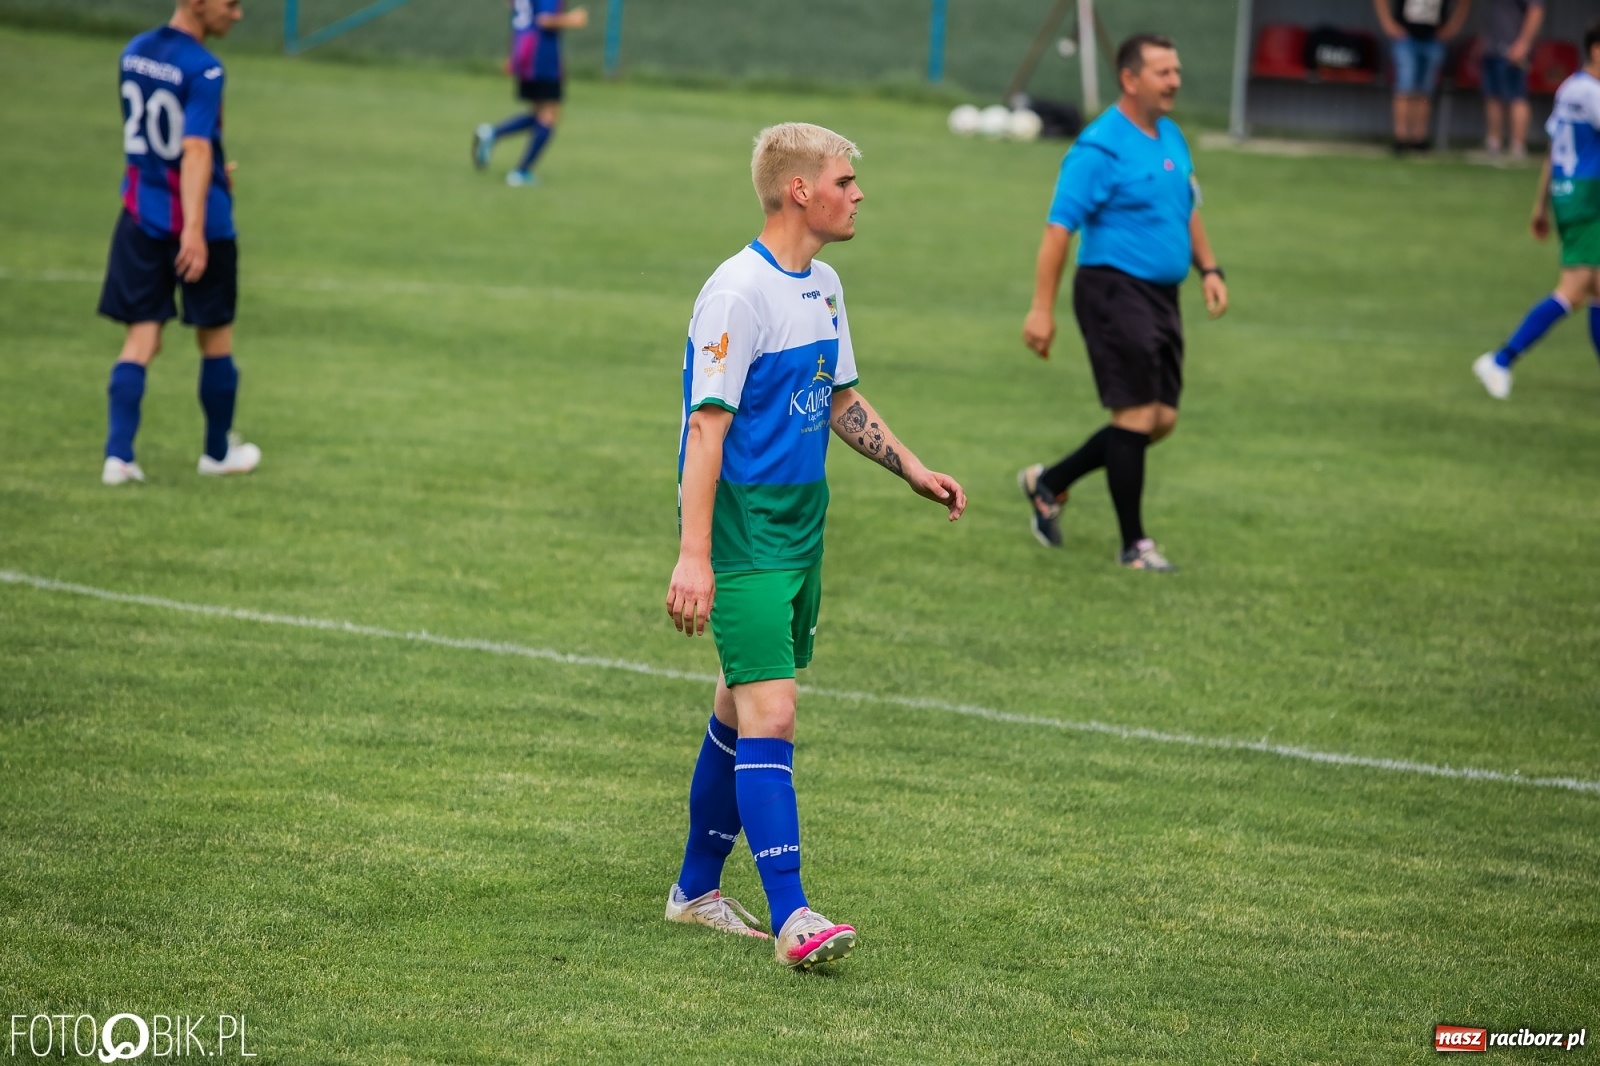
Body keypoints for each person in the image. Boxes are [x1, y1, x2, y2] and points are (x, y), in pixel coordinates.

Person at [664, 123, 966, 970]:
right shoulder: (735, 294)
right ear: (800, 190)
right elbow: (705, 430)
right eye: (844, 180)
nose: (857, 192)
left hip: (804, 528)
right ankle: (794, 917)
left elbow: (837, 399)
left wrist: (910, 465)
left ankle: (695, 891)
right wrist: (695, 554)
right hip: (745, 533)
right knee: (775, 711)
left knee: (736, 705)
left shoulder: (823, 283)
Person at [1019, 34, 1228, 573]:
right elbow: (1057, 230)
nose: (1175, 80)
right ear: (1130, 79)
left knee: (1159, 419)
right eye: (1163, 72)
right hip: (1113, 291)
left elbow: (1188, 205)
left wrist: (1209, 268)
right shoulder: (1099, 148)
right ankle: (1134, 545)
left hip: (1162, 296)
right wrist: (1041, 309)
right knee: (1134, 414)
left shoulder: (1171, 136)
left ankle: (1050, 483)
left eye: (1176, 70)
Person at [98, 0, 258, 487]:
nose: (238, 14)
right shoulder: (205, 69)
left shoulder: (135, 52)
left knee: (141, 338)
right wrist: (193, 227)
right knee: (215, 338)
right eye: (229, 4)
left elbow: (157, 142)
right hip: (200, 225)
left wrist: (210, 168)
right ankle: (215, 453)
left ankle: (118, 456)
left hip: (140, 215)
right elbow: (193, 147)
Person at [1474, 22, 1600, 400]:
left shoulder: (1569, 88)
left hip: (1570, 195)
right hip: (1587, 197)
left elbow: (1553, 149)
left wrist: (1540, 204)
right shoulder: (1590, 92)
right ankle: (1500, 359)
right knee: (1574, 289)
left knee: (1597, 289)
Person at [472, 0, 588, 187]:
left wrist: (513, 53)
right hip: (540, 55)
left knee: (540, 113)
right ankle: (520, 172)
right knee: (549, 115)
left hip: (525, 50)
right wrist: (572, 20)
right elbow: (545, 20)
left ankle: (492, 134)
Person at [1374, 0, 1472, 153]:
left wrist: (1453, 26)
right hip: (1406, 37)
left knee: (1425, 91)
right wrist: (1388, 23)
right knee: (1405, 86)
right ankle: (1401, 138)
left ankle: (1419, 138)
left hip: (1432, 39)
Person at [1481, 0, 1545, 159]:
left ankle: (1518, 146)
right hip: (1493, 48)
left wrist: (1523, 44)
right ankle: (1493, 144)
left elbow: (1536, 11)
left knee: (1516, 96)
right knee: (1492, 95)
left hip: (1513, 50)